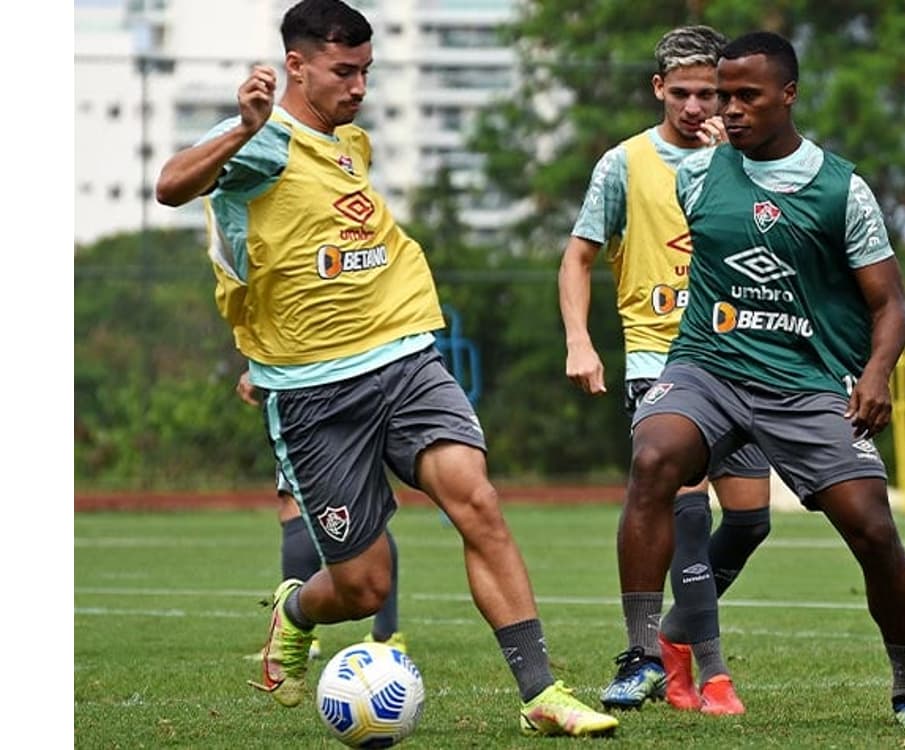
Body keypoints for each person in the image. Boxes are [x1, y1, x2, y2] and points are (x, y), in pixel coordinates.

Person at [154, 0, 618, 737]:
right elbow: (171, 185)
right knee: (366, 587)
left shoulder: (350, 145)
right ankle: (297, 608)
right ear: (296, 65)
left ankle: (541, 693)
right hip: (314, 392)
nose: (359, 86)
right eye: (345, 71)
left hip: (403, 353)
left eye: (367, 71)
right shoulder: (260, 139)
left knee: (476, 500)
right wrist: (242, 128)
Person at [620, 30, 905, 729]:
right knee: (654, 455)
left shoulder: (841, 189)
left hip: (808, 383)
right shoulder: (701, 174)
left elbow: (889, 303)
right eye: (722, 96)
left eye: (747, 96)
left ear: (789, 95)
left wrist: (876, 374)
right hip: (709, 367)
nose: (730, 109)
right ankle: (642, 654)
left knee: (872, 530)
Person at [558, 25, 769, 715]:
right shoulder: (623, 164)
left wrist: (729, 171)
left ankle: (670, 639)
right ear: (658, 89)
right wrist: (579, 341)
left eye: (709, 93)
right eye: (681, 92)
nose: (697, 106)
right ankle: (697, 671)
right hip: (661, 360)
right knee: (685, 507)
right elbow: (579, 257)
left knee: (750, 522)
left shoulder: (748, 160)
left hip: (740, 359)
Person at [235, 370, 405, 659]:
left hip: (311, 386)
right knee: (365, 506)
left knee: (294, 501)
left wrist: (261, 369)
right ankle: (388, 635)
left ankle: (300, 639)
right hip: (370, 380)